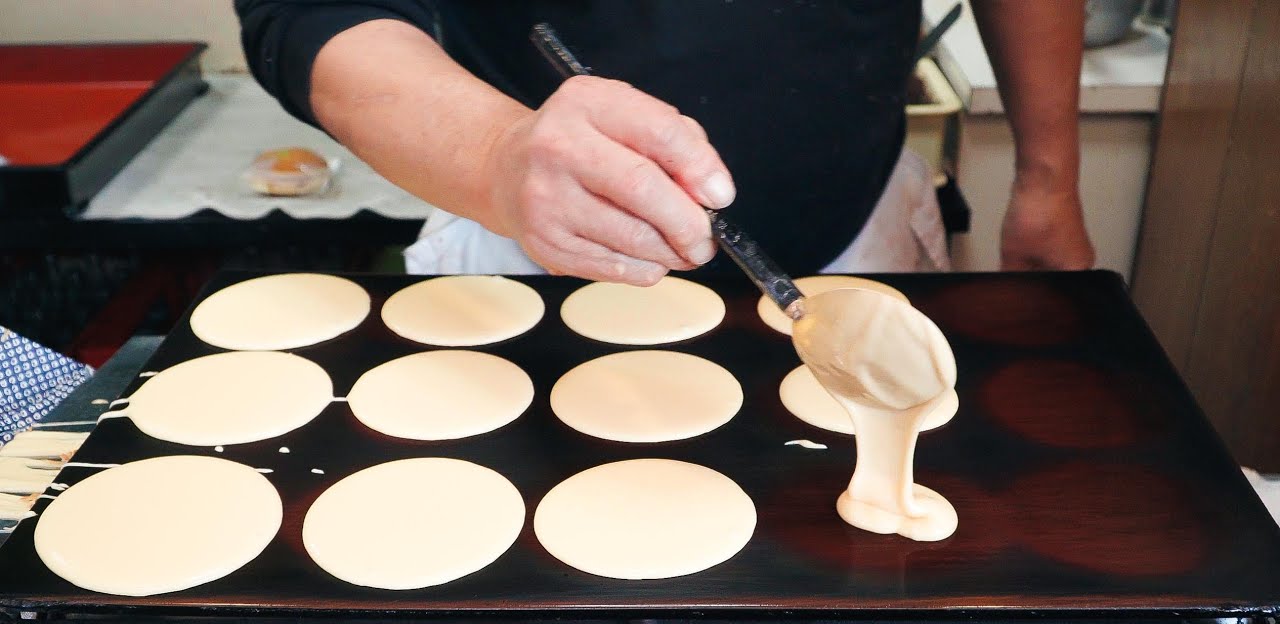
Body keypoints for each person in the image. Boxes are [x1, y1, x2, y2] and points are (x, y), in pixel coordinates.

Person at [236, 1, 1094, 284]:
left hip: (857, 227)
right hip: (530, 256)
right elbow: (313, 13)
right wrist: (496, 155)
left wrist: (1048, 178)